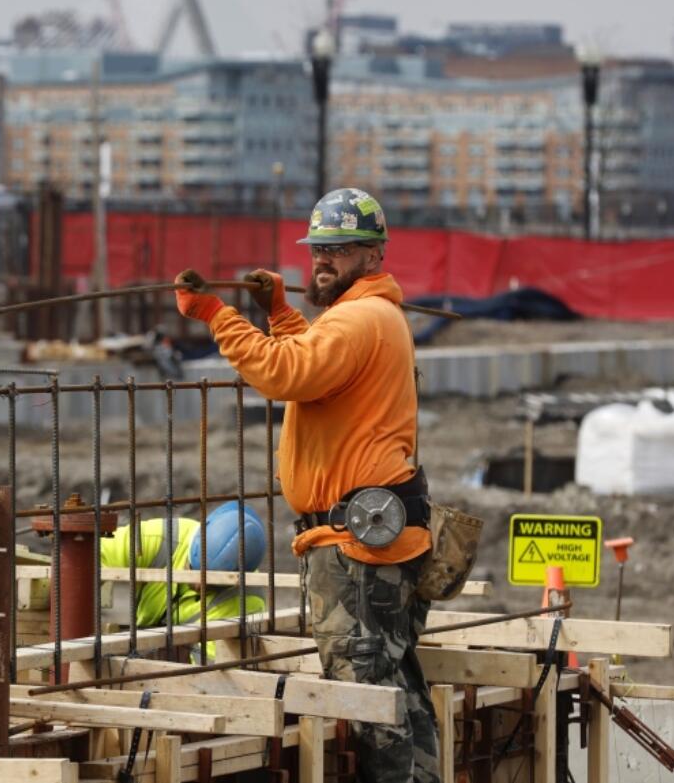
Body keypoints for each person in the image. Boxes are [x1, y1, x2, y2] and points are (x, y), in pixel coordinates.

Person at [172, 188, 438, 783]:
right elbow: (316, 371)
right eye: (319, 248)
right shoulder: (366, 315)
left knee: (369, 700)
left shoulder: (358, 318)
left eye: (340, 250)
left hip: (356, 549)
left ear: (375, 256)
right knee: (398, 690)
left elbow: (286, 373)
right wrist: (279, 314)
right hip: (369, 537)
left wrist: (219, 316)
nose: (324, 259)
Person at [100, 502, 267, 638]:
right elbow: (91, 556)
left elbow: (211, 673)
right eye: (193, 569)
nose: (198, 585)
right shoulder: (158, 539)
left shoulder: (245, 604)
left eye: (212, 584)